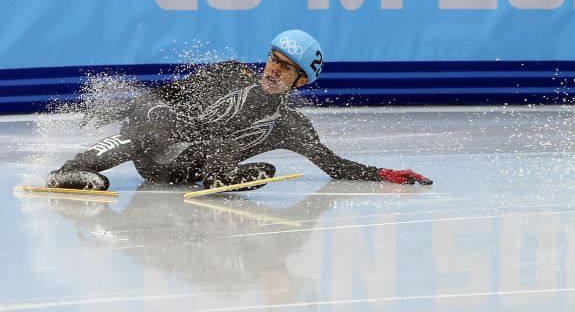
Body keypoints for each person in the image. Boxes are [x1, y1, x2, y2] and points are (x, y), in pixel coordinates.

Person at [47, 29, 433, 191]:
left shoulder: (291, 125)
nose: (273, 69)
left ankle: (222, 178)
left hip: (190, 166)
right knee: (159, 116)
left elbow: (333, 166)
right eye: (272, 59)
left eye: (285, 67)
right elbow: (166, 94)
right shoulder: (229, 73)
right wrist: (123, 106)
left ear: (301, 81)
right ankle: (69, 172)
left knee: (221, 146)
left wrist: (386, 173)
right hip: (155, 143)